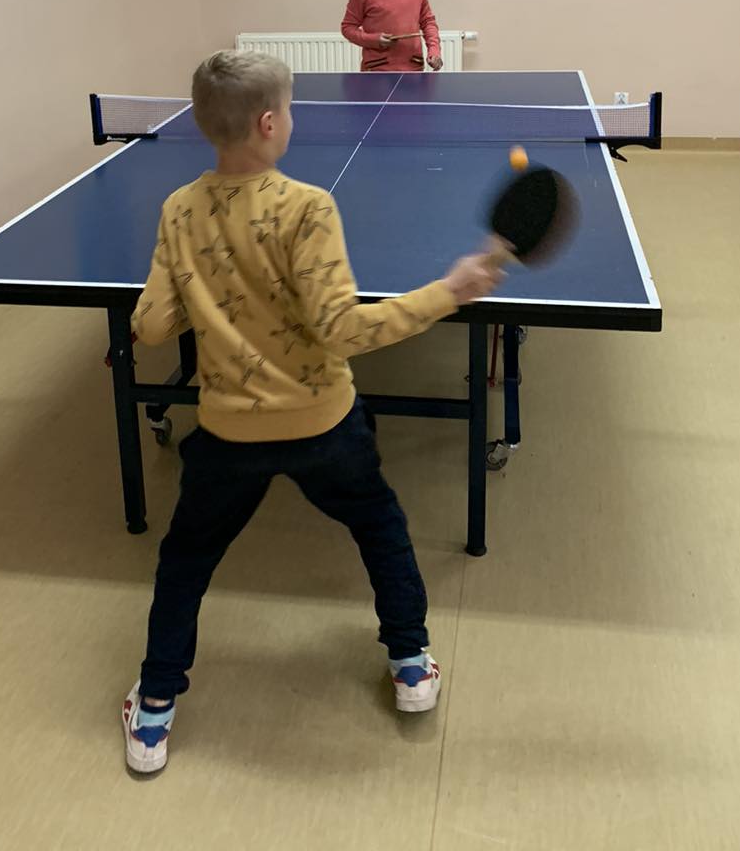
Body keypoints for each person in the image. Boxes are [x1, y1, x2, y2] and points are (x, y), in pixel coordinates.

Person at [121, 51, 502, 773]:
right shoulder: (307, 208)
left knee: (186, 561)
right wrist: (448, 292)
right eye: (290, 110)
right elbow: (343, 331)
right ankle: (411, 663)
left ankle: (156, 709)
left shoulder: (179, 210)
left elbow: (154, 325)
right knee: (379, 526)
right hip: (324, 424)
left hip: (228, 433)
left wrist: (180, 287)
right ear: (270, 123)